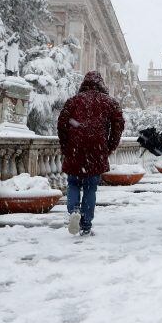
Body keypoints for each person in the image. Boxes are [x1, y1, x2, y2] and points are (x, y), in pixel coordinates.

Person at [57, 71, 125, 236]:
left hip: (75, 147)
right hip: (96, 149)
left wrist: (66, 145)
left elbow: (62, 123)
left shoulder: (73, 101)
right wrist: (109, 146)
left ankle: (73, 210)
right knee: (90, 188)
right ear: (101, 84)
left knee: (73, 183)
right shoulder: (109, 102)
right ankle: (86, 225)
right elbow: (119, 125)